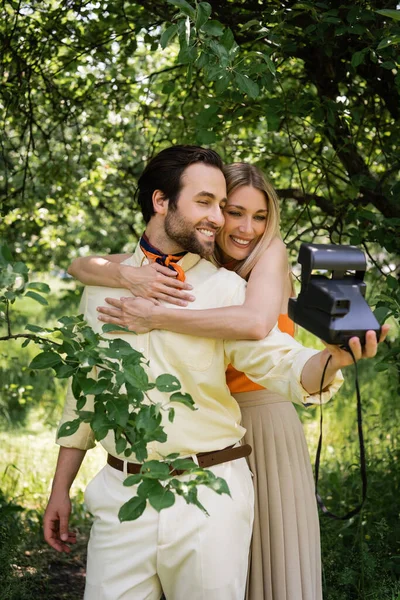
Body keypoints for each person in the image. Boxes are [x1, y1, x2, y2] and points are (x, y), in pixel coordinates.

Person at [44, 145, 386, 600]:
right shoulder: (102, 286)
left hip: (209, 495)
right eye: (206, 203)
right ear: (161, 201)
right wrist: (59, 489)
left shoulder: (226, 289)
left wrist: (330, 360)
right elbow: (83, 397)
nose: (219, 219)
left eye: (219, 206)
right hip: (120, 495)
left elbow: (280, 361)